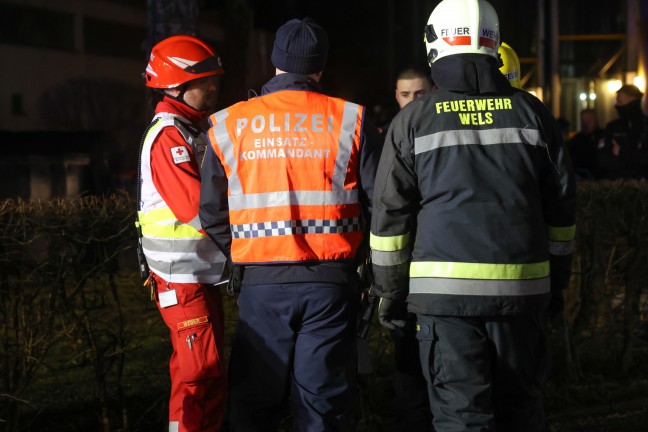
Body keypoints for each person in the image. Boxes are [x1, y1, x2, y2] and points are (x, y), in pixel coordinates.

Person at [368, 0, 576, 431]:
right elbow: (562, 210)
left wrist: (390, 294)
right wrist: (557, 283)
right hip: (523, 296)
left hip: (444, 306)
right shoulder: (533, 114)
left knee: (461, 418)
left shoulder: (413, 121)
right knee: (520, 412)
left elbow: (390, 220)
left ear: (434, 44)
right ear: (494, 44)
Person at [199, 17, 382, 431]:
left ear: (275, 61)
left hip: (262, 287)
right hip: (331, 285)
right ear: (320, 66)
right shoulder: (350, 119)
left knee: (253, 405)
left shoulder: (231, 123)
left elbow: (210, 211)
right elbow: (379, 204)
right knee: (322, 408)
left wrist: (245, 249)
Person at [136, 34, 228, 432]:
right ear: (175, 86)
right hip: (183, 280)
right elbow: (199, 210)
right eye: (203, 81)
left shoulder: (190, 130)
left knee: (199, 378)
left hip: (197, 277)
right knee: (200, 379)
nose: (212, 86)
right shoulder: (170, 137)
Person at [379, 66, 435, 432]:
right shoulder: (388, 136)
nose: (412, 102)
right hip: (405, 267)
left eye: (419, 94)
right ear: (395, 97)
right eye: (405, 95)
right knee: (408, 361)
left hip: (436, 265)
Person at [596, 84, 648, 179]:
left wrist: (622, 153)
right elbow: (602, 159)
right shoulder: (613, 127)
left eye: (620, 102)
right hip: (617, 184)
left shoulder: (644, 126)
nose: (618, 106)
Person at [379, 67, 436, 135]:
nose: (412, 100)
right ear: (397, 96)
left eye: (420, 93)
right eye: (405, 95)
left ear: (434, 92)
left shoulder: (446, 126)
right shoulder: (385, 135)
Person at [566, 108, 604, 180]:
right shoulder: (575, 140)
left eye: (589, 121)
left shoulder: (604, 137)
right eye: (583, 121)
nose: (586, 124)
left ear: (596, 120)